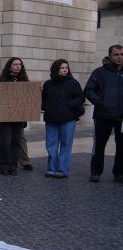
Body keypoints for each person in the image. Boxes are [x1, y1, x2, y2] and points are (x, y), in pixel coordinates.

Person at [84, 44, 123, 183]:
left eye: (122, 54)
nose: (119, 57)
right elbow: (88, 90)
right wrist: (100, 102)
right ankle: (96, 172)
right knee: (99, 145)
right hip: (103, 115)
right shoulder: (99, 72)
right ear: (110, 55)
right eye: (116, 54)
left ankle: (119, 173)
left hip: (122, 118)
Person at [41, 59, 85, 179]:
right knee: (51, 144)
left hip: (68, 118)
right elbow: (42, 100)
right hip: (51, 118)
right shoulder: (48, 84)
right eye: (62, 68)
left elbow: (81, 97)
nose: (65, 70)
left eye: (66, 67)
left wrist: (70, 105)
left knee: (66, 144)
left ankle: (62, 170)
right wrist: (46, 107)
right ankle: (51, 169)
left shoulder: (73, 83)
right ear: (56, 69)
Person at [0, 57, 29, 176]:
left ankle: (13, 166)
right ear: (9, 66)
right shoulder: (0, 80)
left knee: (16, 142)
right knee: (4, 142)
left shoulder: (24, 81)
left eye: (19, 65)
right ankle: (3, 166)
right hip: (3, 117)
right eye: (15, 64)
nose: (18, 66)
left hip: (18, 117)